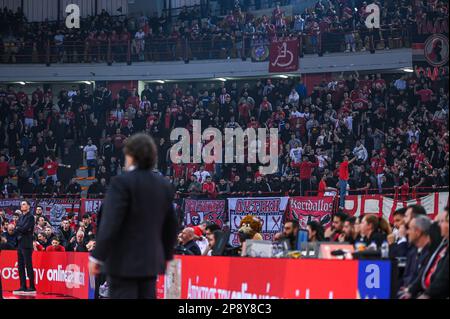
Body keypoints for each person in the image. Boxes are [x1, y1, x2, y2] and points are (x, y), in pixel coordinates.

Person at [89, 133, 177, 299]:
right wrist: (166, 255)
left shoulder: (121, 182)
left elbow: (110, 224)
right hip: (150, 262)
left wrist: (97, 256)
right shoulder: (164, 185)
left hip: (123, 263)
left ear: (130, 155)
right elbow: (171, 225)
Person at [14, 200, 36, 294]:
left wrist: (19, 228)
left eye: (24, 204)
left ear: (28, 206)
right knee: (20, 265)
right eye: (21, 205)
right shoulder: (21, 217)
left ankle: (31, 286)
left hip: (27, 243)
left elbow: (25, 228)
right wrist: (20, 228)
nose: (22, 206)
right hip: (19, 243)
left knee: (28, 265)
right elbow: (17, 228)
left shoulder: (30, 217)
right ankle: (23, 285)